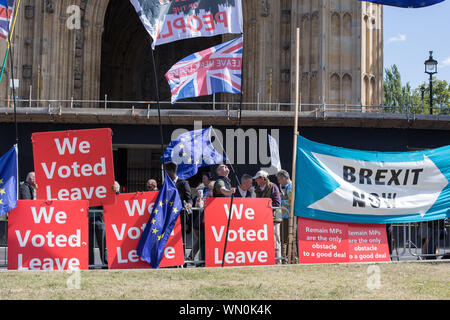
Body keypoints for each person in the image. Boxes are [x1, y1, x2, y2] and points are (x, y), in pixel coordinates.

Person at [165, 161, 193, 258]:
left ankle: (182, 259)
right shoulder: (166, 184)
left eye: (167, 171)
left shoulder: (183, 183)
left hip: (181, 216)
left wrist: (189, 203)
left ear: (171, 171)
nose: (166, 174)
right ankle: (172, 258)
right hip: (169, 216)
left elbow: (189, 196)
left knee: (181, 238)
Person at [254, 170, 282, 264]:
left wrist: (264, 206)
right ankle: (267, 261)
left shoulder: (273, 187)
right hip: (263, 218)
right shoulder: (257, 189)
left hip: (274, 218)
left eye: (257, 179)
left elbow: (277, 203)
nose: (256, 181)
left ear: (262, 179)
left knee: (275, 240)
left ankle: (278, 262)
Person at [277, 170, 292, 262]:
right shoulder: (284, 187)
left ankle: (284, 260)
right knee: (286, 238)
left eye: (279, 179)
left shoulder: (290, 187)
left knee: (284, 239)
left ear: (283, 178)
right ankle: (288, 259)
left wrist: (280, 214)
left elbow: (289, 201)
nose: (279, 181)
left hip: (287, 216)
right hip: (284, 215)